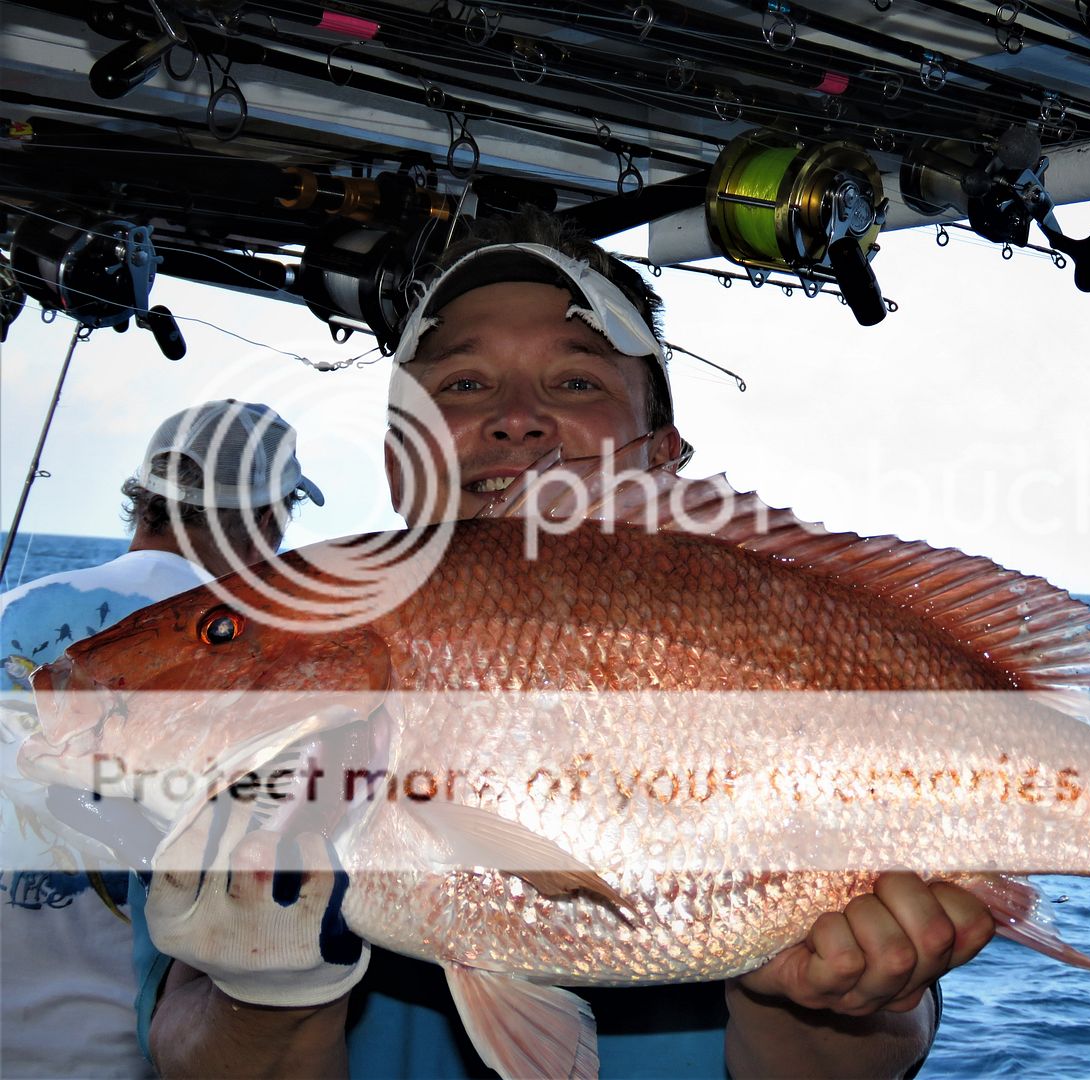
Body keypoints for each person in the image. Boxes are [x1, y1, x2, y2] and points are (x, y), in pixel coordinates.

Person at [135, 211, 996, 1078]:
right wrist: (265, 987)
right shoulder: (271, 705)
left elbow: (864, 1062)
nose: (517, 420)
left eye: (577, 383)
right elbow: (191, 1056)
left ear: (659, 452)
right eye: (463, 385)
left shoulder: (785, 619)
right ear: (398, 459)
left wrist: (819, 993)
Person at [0, 399, 323, 1079]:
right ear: (268, 520)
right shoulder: (267, 664)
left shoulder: (8, 610)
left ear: (141, 499)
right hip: (142, 1055)